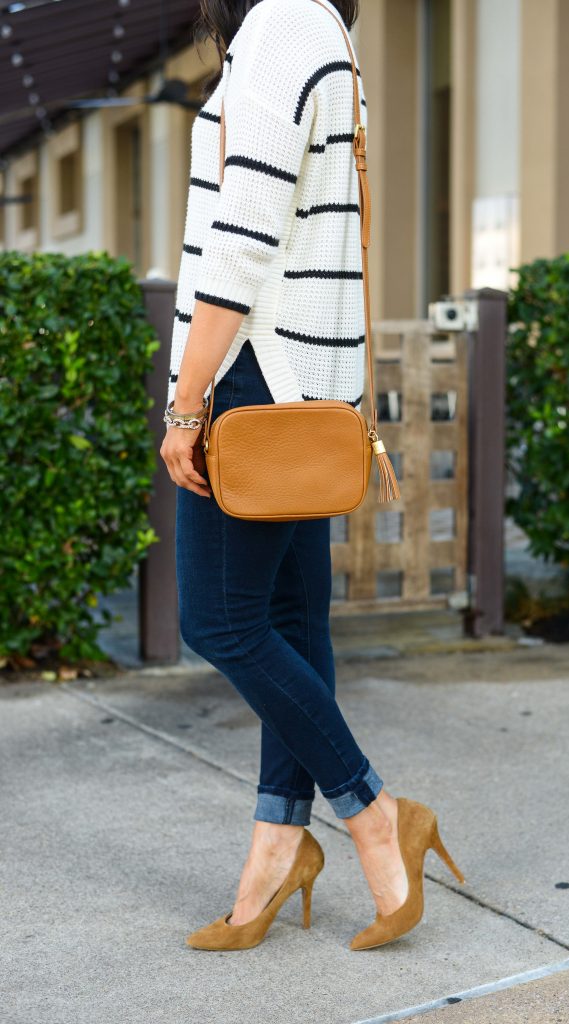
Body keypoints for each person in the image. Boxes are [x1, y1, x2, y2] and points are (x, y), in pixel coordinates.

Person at [160, 0, 463, 952]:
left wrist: (185, 396)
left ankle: (376, 816)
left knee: (217, 619)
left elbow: (242, 236)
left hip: (255, 375)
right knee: (289, 621)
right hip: (313, 378)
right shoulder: (326, 30)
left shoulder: (281, 27)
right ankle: (275, 850)